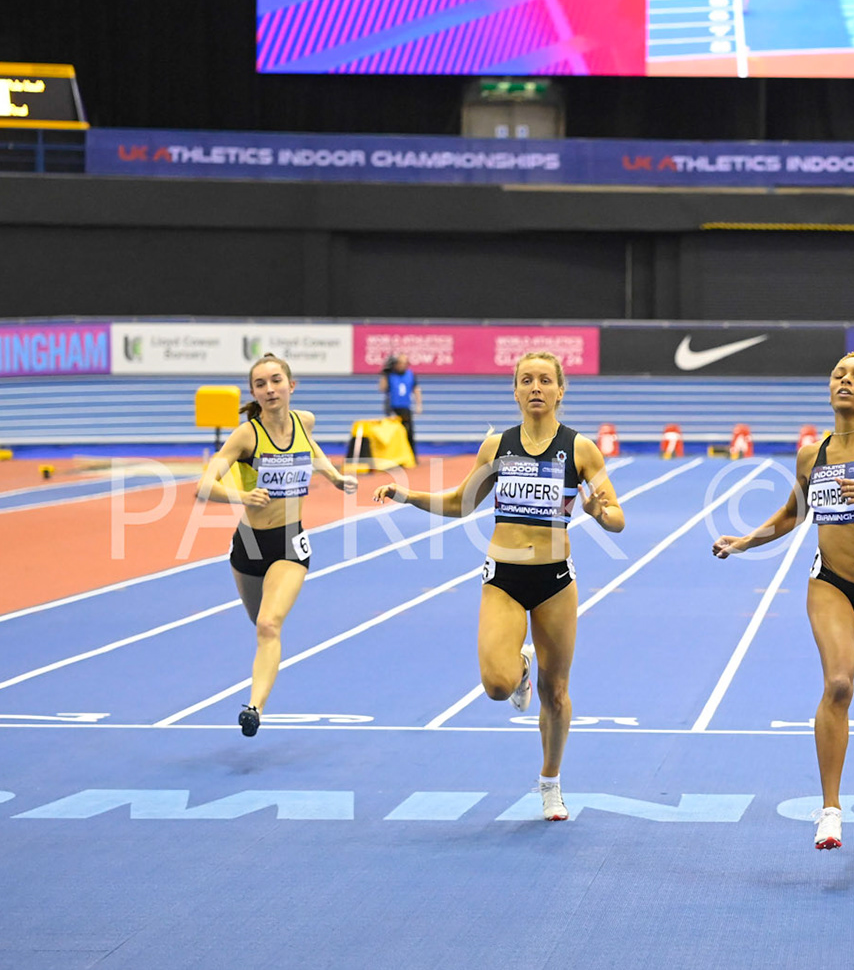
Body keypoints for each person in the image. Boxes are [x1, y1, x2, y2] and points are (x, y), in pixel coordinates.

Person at [373, 351, 624, 822]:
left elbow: (617, 518)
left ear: (560, 390)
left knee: (557, 692)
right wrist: (406, 495)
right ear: (514, 390)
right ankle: (519, 665)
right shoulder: (497, 447)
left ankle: (550, 783)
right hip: (504, 578)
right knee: (496, 685)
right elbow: (459, 504)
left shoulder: (581, 449)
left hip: (554, 581)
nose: (535, 387)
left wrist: (600, 513)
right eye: (525, 380)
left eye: (545, 380)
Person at [712, 352, 854, 850]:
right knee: (838, 685)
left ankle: (838, 788)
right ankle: (831, 809)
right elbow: (793, 514)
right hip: (829, 583)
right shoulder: (812, 455)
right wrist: (744, 541)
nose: (844, 381)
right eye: (837, 374)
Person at [196, 354, 357, 737]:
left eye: (276, 381)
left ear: (291, 385)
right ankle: (265, 664)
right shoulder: (246, 435)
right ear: (253, 392)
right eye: (260, 384)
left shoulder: (305, 421)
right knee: (259, 621)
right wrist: (241, 496)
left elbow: (311, 447)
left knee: (269, 624)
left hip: (289, 541)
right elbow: (204, 486)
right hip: (248, 544)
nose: (269, 389)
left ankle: (254, 708)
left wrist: (333, 475)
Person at [381, 354, 420, 455]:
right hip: (392, 408)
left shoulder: (410, 375)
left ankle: (411, 455)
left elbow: (416, 389)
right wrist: (384, 374)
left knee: (409, 433)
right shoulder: (390, 375)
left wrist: (419, 405)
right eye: (400, 363)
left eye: (404, 363)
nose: (402, 365)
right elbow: (382, 388)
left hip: (405, 408)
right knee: (392, 434)